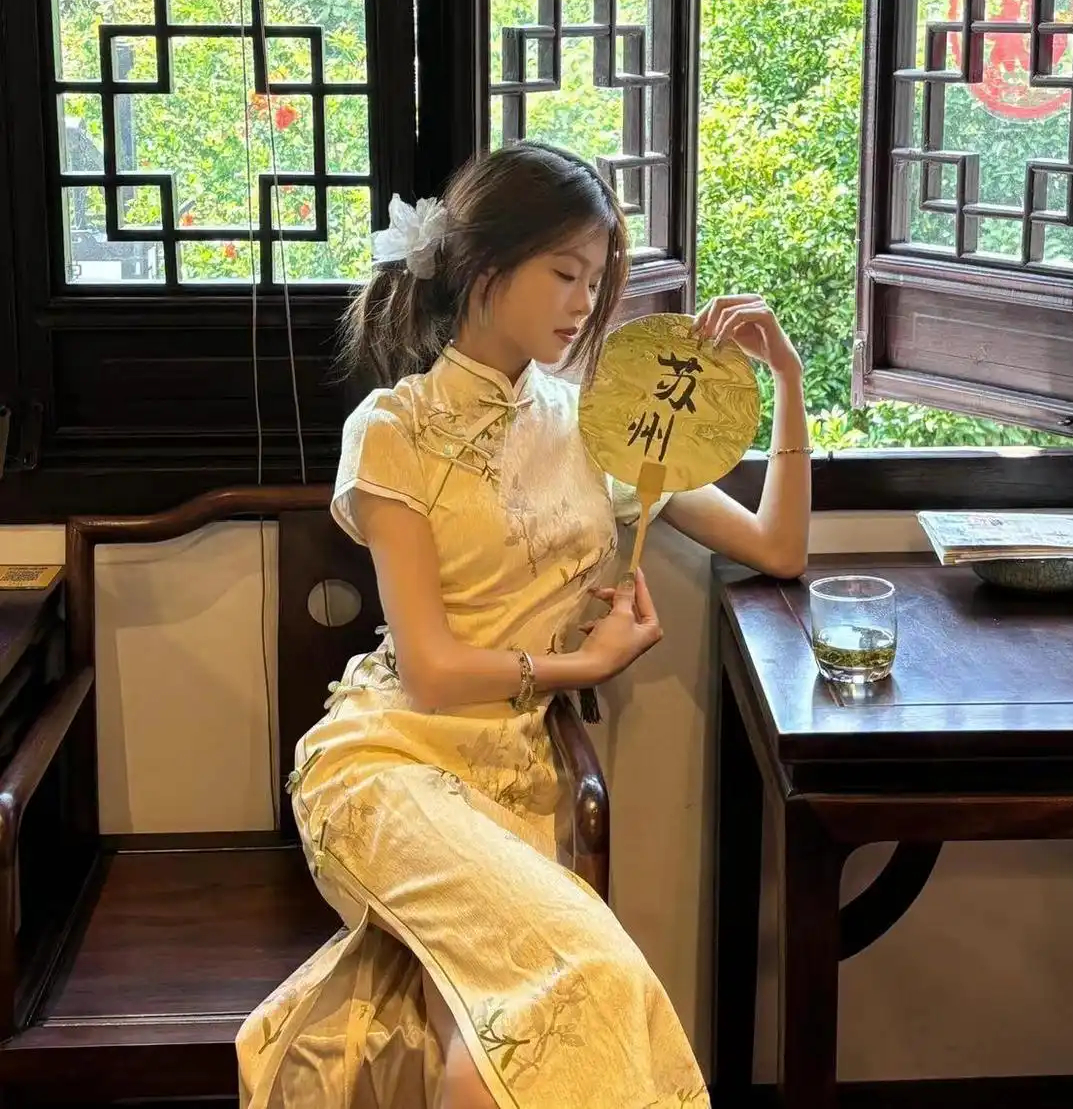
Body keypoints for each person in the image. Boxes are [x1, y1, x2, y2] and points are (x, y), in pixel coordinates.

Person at [237, 140, 811, 1109]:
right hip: (385, 764)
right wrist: (585, 662)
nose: (584, 303)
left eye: (596, 279)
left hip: (518, 785)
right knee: (594, 975)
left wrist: (788, 381)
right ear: (486, 267)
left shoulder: (597, 423)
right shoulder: (392, 428)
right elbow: (429, 670)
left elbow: (777, 546)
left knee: (484, 1055)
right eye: (564, 272)